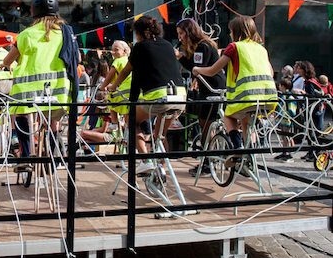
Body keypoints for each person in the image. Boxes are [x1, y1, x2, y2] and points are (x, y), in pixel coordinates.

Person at [1, 0, 79, 170]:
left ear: (34, 11)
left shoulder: (26, 34)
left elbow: (9, 59)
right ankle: (49, 161)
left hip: (27, 90)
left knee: (21, 115)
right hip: (58, 90)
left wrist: (4, 64)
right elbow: (77, 59)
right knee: (53, 122)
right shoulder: (66, 33)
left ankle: (26, 157)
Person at [108, 15, 186, 174]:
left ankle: (146, 160)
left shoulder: (140, 47)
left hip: (158, 97)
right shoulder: (167, 45)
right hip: (180, 96)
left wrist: (114, 88)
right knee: (160, 135)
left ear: (140, 32)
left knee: (132, 120)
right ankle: (162, 169)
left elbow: (128, 73)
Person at [193, 15, 278, 161]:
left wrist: (198, 70)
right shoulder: (261, 48)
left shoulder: (234, 47)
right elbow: (270, 72)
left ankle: (237, 148)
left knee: (228, 116)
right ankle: (249, 159)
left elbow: (213, 70)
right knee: (246, 122)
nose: (230, 34)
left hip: (246, 96)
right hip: (268, 97)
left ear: (236, 31)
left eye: (231, 31)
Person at [175, 18, 226, 175]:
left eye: (182, 33)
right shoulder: (207, 45)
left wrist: (180, 57)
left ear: (189, 32)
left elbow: (198, 68)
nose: (180, 37)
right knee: (208, 124)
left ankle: (207, 162)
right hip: (215, 87)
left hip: (211, 89)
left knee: (205, 125)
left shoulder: (202, 47)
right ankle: (211, 159)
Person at [99, 40, 132, 128]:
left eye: (116, 50)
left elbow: (110, 75)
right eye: (112, 50)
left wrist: (102, 87)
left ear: (124, 51)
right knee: (128, 114)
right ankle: (127, 131)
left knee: (110, 100)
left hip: (122, 91)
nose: (113, 52)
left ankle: (114, 123)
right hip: (132, 91)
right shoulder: (129, 60)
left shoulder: (118, 61)